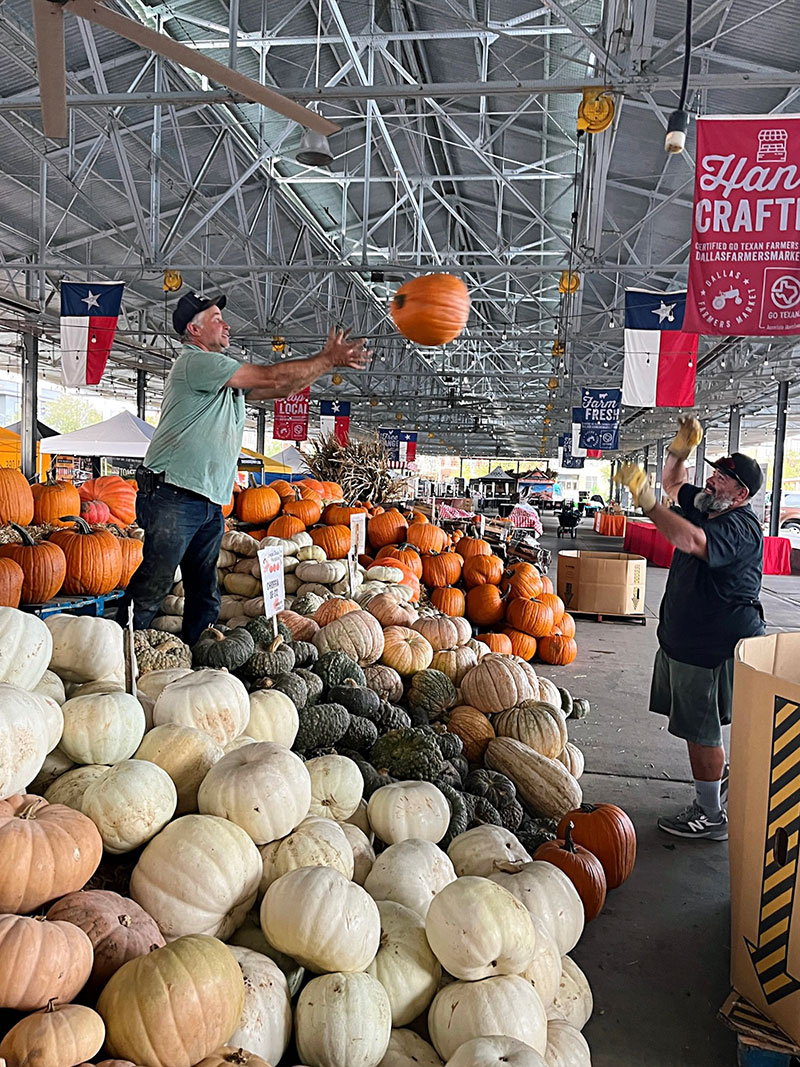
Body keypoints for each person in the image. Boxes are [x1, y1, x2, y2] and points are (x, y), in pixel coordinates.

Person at [116, 292, 369, 645]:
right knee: (154, 583)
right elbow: (272, 377)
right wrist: (327, 358)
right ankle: (119, 651)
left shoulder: (223, 381)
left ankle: (200, 653)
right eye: (216, 318)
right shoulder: (196, 362)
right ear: (194, 330)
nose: (227, 325)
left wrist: (326, 364)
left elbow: (285, 387)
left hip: (205, 500)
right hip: (174, 493)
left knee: (204, 589)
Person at [616, 416, 765, 841]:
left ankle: (710, 815)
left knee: (702, 733)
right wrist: (679, 451)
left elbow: (691, 541)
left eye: (723, 479)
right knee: (698, 727)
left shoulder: (738, 527)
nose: (713, 480)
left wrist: (649, 505)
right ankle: (717, 780)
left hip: (710, 647)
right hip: (685, 643)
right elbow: (672, 482)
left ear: (741, 494)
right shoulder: (707, 504)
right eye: (715, 472)